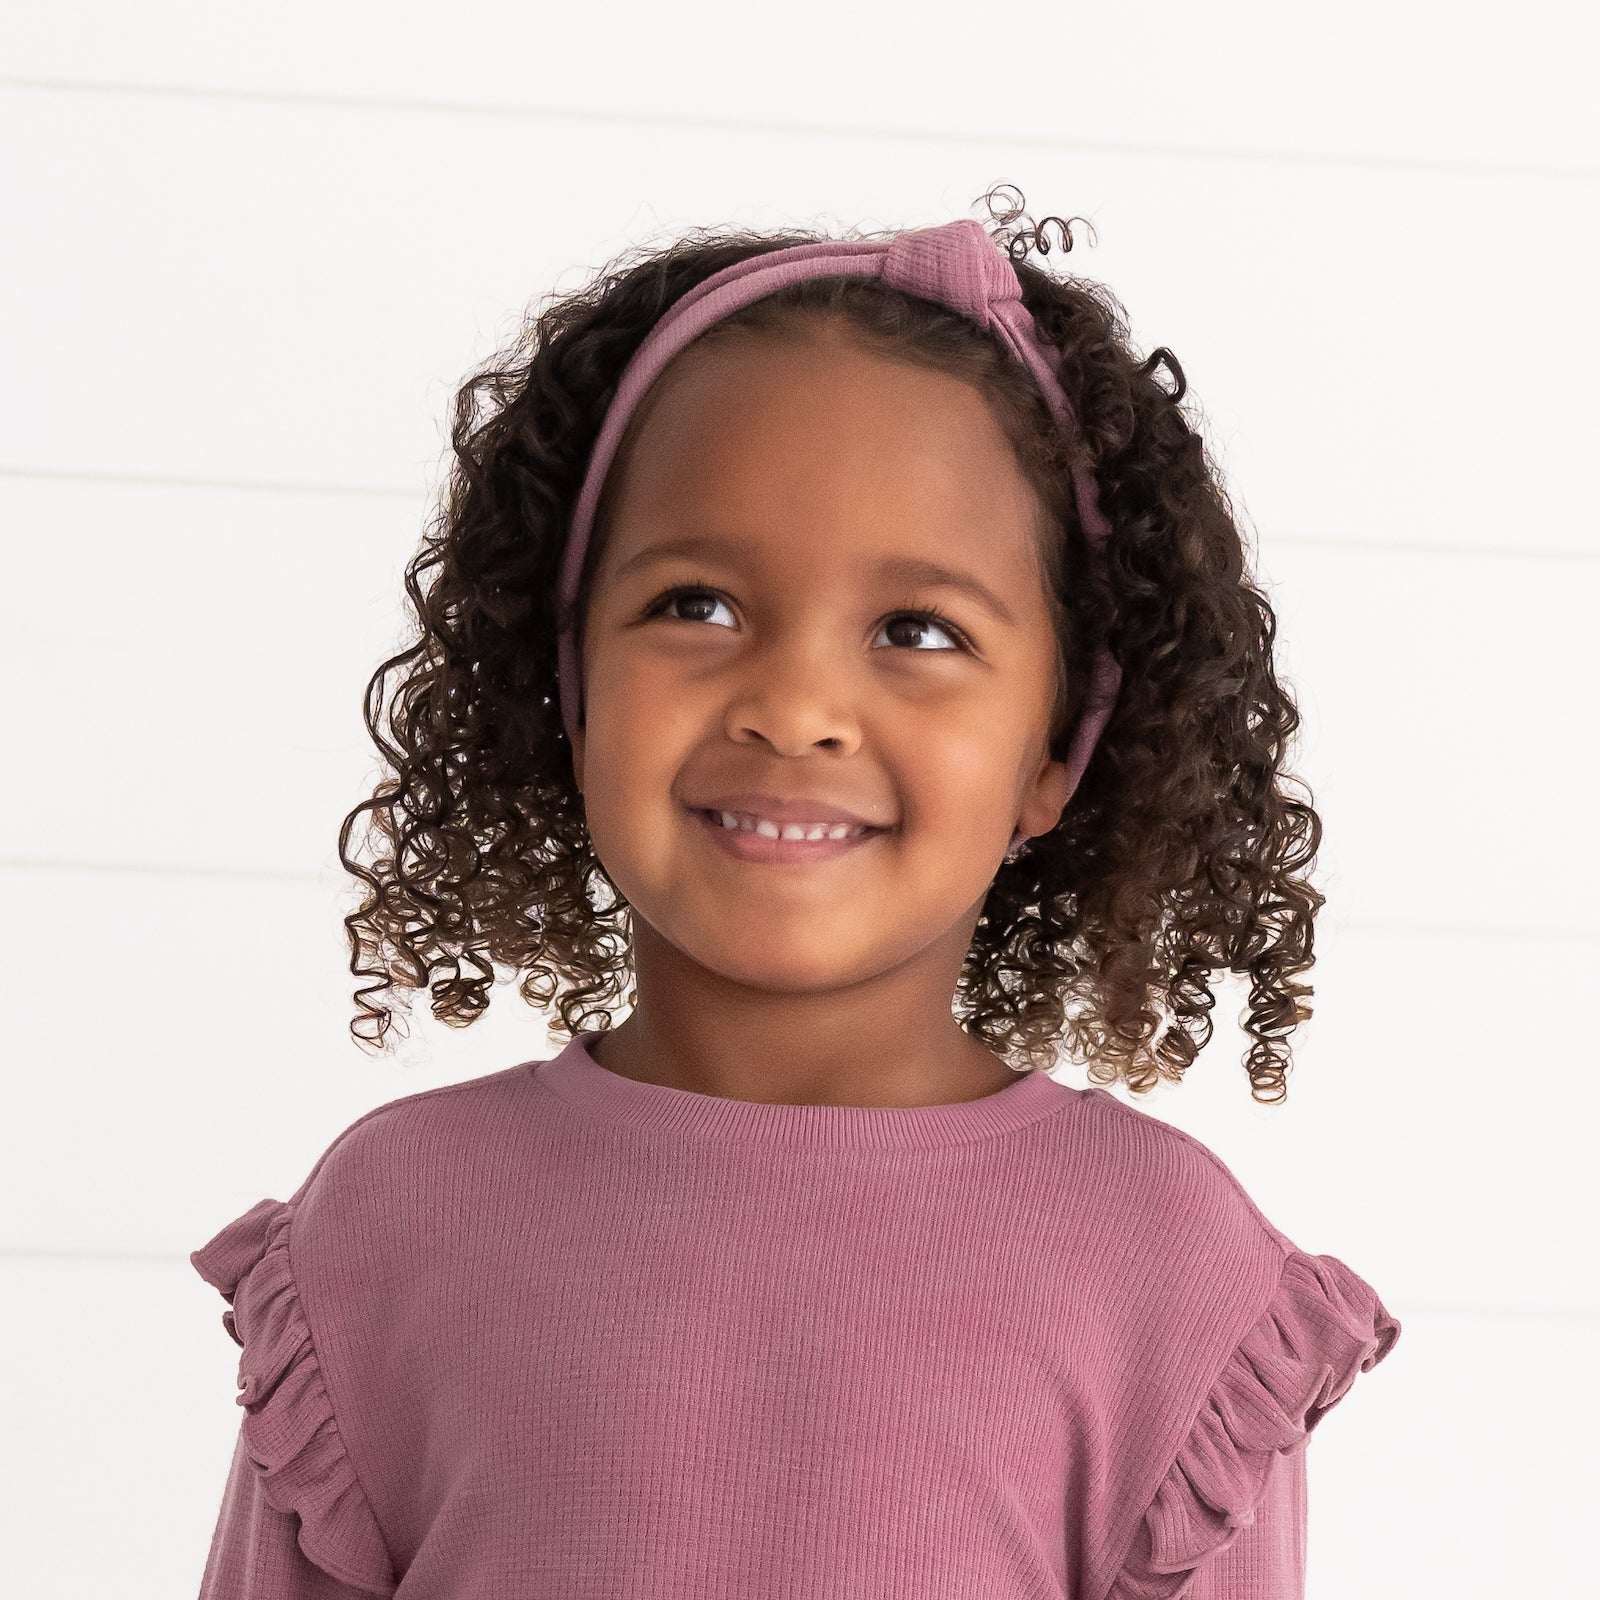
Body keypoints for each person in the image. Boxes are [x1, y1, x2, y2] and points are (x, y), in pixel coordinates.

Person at [190, 187, 1401, 1599]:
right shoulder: (391, 1226)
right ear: (571, 681)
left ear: (1058, 750)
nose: (795, 707)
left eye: (918, 629)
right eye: (696, 604)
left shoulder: (1170, 1280)